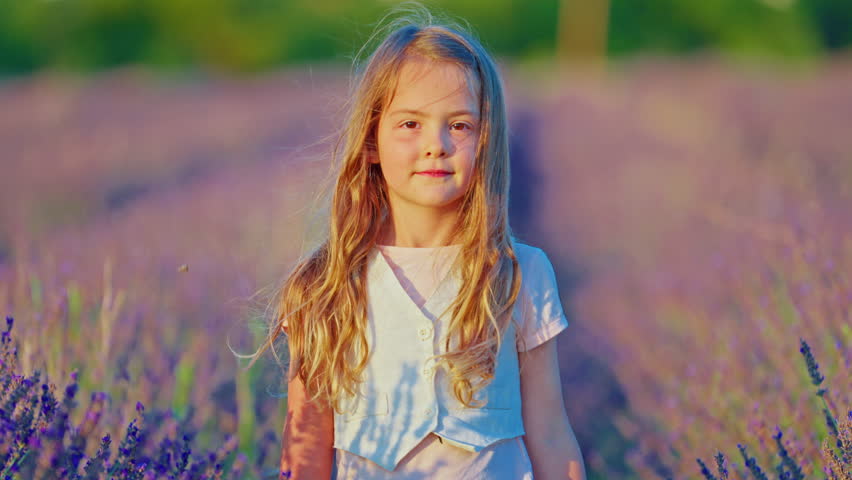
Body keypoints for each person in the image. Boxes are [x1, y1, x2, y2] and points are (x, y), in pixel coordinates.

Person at [257, 7, 586, 480]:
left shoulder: (518, 274)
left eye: (459, 125)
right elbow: (305, 448)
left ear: (485, 141)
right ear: (371, 141)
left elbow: (551, 433)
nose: (436, 144)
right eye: (410, 124)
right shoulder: (325, 287)